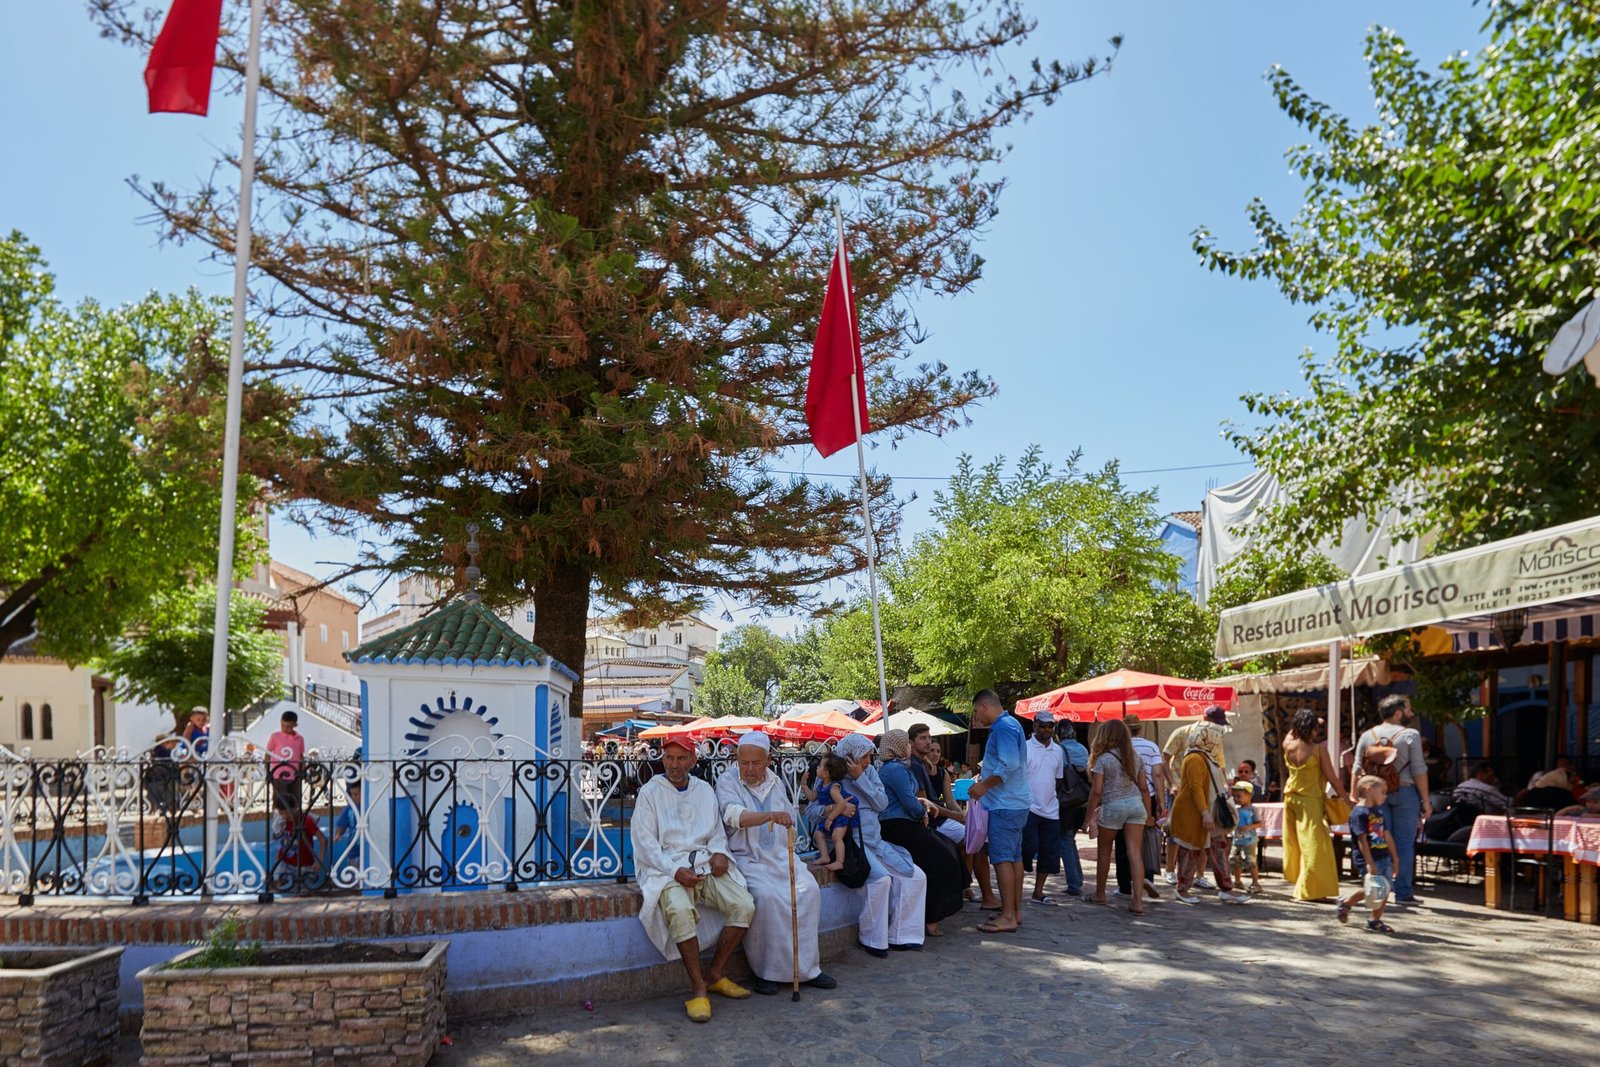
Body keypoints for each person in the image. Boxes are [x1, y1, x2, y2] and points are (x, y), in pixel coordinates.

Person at [632, 735, 755, 1023]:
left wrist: (720, 852)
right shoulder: (650, 792)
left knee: (744, 905)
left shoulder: (704, 790)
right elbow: (644, 842)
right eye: (669, 758)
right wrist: (675, 872)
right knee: (679, 911)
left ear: (692, 760)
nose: (674, 765)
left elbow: (715, 831)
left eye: (681, 758)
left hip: (703, 864)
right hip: (667, 869)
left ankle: (714, 974)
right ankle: (698, 987)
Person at [715, 732, 837, 996]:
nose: (749, 769)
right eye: (743, 762)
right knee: (767, 898)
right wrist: (768, 816)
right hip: (748, 859)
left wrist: (788, 824)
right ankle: (767, 972)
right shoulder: (727, 781)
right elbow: (732, 814)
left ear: (768, 760)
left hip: (782, 857)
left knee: (808, 893)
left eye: (755, 763)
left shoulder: (776, 782)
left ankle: (808, 969)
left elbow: (788, 816)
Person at [831, 732, 928, 955]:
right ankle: (873, 938)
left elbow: (881, 804)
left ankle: (903, 935)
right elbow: (817, 810)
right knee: (881, 879)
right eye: (863, 757)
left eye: (868, 756)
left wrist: (860, 778)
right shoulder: (834, 775)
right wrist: (835, 809)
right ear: (849, 756)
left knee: (916, 875)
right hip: (852, 842)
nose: (867, 761)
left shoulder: (871, 772)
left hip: (876, 841)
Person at [876, 729, 964, 937]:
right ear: (897, 746)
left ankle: (933, 915)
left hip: (909, 823)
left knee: (946, 851)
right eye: (906, 743)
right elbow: (909, 801)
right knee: (939, 858)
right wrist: (922, 811)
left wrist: (921, 809)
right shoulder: (895, 769)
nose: (909, 747)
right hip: (898, 826)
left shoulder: (902, 768)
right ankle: (931, 917)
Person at [1353, 695, 1431, 905]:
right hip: (1405, 792)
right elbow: (1419, 770)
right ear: (1398, 713)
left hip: (1375, 796)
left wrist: (1355, 797)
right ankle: (1403, 893)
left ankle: (1379, 890)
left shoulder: (1367, 736)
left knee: (1378, 841)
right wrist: (1426, 800)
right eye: (1408, 709)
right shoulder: (1410, 735)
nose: (1411, 713)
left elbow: (1357, 768)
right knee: (1405, 844)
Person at [1168, 721, 1251, 905]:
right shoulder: (1195, 759)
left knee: (1219, 849)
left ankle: (1226, 888)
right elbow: (1196, 788)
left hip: (1208, 812)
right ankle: (1183, 889)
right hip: (1196, 813)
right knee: (1190, 850)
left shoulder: (1205, 756)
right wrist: (1205, 813)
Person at [969, 689, 1030, 933]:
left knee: (1003, 858)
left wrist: (983, 785)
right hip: (1015, 802)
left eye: (975, 711)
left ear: (984, 706)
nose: (976, 717)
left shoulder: (1003, 727)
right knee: (1014, 858)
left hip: (1005, 803)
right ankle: (1013, 911)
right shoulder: (1011, 724)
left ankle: (1007, 916)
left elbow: (1009, 764)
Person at [1084, 718, 1151, 914]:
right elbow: (1144, 788)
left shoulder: (1103, 759)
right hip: (1136, 805)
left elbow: (1096, 791)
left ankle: (1100, 894)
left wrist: (1088, 817)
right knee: (1135, 854)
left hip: (1113, 806)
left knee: (1104, 852)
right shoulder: (1136, 757)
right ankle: (1138, 902)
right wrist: (1148, 814)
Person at [1162, 707, 1229, 885]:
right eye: (1214, 722)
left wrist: (1223, 788)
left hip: (1206, 792)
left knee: (1204, 835)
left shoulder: (1215, 740)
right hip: (1181, 790)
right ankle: (1171, 871)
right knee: (1176, 832)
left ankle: (1198, 876)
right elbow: (1165, 758)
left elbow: (1220, 766)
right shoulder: (1183, 733)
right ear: (1205, 718)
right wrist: (1172, 783)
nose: (1215, 728)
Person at [1281, 708, 1341, 902]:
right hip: (1310, 801)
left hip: (1291, 798)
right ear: (1314, 729)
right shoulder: (1318, 750)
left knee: (1297, 844)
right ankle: (1311, 891)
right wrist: (1348, 800)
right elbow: (1332, 778)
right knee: (1315, 845)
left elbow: (1292, 731)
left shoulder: (1288, 744)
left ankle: (1305, 886)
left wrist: (1308, 722)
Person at [1338, 775, 1398, 933]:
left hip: (1383, 856)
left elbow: (1386, 834)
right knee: (1375, 888)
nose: (1385, 796)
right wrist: (1369, 862)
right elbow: (1362, 840)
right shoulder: (1359, 814)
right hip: (1369, 858)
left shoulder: (1377, 812)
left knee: (1384, 889)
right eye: (1383, 792)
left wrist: (1395, 858)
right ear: (1369, 790)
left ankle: (1374, 919)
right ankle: (1348, 904)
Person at [1021, 711, 1065, 906]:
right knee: (1026, 850)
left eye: (1050, 726)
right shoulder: (1025, 747)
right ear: (1035, 726)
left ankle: (1038, 892)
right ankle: (1017, 890)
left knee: (1049, 853)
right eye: (1043, 725)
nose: (1047, 729)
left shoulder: (1058, 750)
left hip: (1051, 810)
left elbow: (1058, 779)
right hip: (1028, 807)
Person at [1122, 715, 1168, 899]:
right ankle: (1147, 877)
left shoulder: (1120, 747)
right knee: (1146, 839)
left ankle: (1124, 884)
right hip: (1148, 796)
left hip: (1124, 796)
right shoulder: (1151, 746)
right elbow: (1157, 774)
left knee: (1124, 841)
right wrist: (1162, 800)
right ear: (1139, 729)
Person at [1056, 723, 1089, 897]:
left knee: (1065, 840)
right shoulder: (1083, 749)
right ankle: (1077, 878)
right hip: (1083, 801)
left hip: (1067, 801)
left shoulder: (1058, 750)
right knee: (1070, 839)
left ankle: (1074, 884)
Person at [810, 754, 857, 871]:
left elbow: (841, 804)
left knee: (837, 837)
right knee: (818, 834)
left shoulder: (833, 788)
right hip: (831, 817)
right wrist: (803, 785)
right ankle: (825, 856)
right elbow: (811, 797)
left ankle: (839, 862)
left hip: (839, 818)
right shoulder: (821, 785)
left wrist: (830, 818)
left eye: (820, 766)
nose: (817, 768)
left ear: (826, 773)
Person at [267, 711, 307, 808]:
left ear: (295, 725)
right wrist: (268, 771)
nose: (285, 728)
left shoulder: (300, 739)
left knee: (295, 801)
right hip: (278, 775)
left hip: (295, 775)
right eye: (283, 725)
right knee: (280, 801)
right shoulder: (275, 737)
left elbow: (301, 756)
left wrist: (303, 771)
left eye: (288, 726)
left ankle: (294, 821)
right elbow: (268, 753)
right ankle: (279, 822)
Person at [1229, 781, 1262, 894]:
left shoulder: (1253, 810)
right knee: (1234, 860)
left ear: (1249, 796)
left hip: (1249, 840)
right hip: (1237, 840)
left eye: (1239, 796)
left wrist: (1249, 827)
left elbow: (1259, 823)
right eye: (1234, 796)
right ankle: (1237, 881)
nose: (1236, 799)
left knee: (1250, 861)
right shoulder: (1236, 809)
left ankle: (1255, 882)